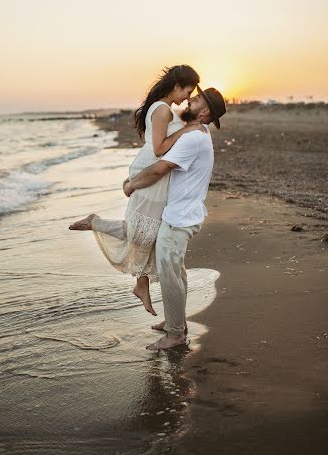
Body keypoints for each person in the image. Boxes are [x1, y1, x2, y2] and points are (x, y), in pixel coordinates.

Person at [69, 65, 203, 315]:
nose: (187, 97)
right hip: (150, 176)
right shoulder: (162, 109)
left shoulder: (164, 109)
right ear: (176, 86)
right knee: (143, 232)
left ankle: (140, 285)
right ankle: (95, 224)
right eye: (187, 91)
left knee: (145, 233)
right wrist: (186, 130)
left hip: (154, 178)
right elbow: (158, 149)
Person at [122, 86, 226, 350]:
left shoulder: (193, 138)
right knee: (176, 272)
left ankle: (176, 334)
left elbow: (161, 167)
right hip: (184, 214)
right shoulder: (197, 134)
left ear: (204, 113)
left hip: (179, 218)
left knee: (170, 275)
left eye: (197, 98)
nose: (190, 98)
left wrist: (132, 185)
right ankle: (174, 321)